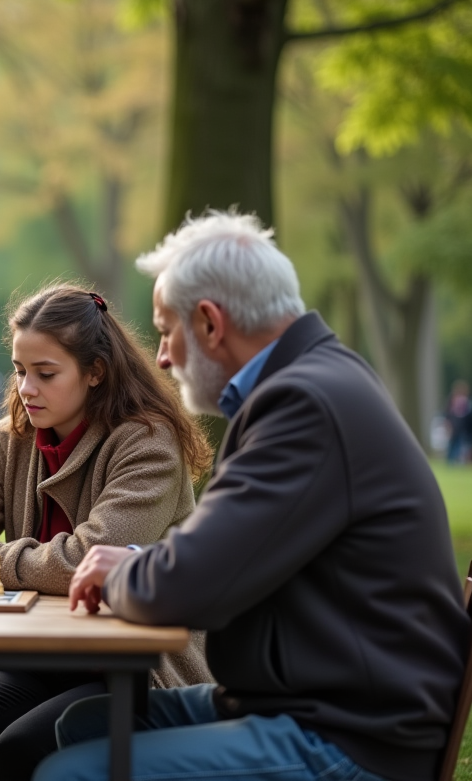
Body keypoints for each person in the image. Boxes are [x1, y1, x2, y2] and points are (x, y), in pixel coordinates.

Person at [39, 211, 470, 781]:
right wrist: (142, 562)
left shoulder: (303, 405)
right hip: (304, 701)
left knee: (72, 772)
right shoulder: (317, 381)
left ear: (211, 323)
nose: (162, 357)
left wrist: (123, 575)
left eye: (167, 332)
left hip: (349, 736)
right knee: (82, 726)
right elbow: (221, 552)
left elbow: (194, 584)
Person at [0, 283, 215, 781]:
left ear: (95, 372)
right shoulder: (13, 439)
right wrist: (29, 564)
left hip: (134, 664)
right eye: (20, 370)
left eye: (45, 373)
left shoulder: (148, 443)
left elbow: (90, 561)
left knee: (21, 751)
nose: (26, 389)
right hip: (42, 652)